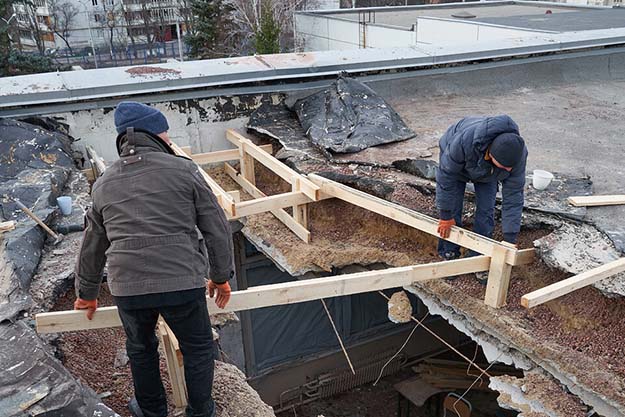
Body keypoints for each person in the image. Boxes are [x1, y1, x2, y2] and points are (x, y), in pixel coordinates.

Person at [73, 101, 234, 417]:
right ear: (155, 135)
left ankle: (152, 411)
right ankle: (200, 412)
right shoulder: (185, 170)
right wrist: (220, 275)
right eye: (166, 132)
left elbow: (92, 244)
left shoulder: (104, 183)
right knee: (199, 348)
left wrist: (87, 294)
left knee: (141, 349)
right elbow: (216, 227)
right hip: (181, 282)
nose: (170, 138)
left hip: (129, 288)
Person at [435, 115, 527, 268]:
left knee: (486, 210)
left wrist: (510, 238)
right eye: (505, 166)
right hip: (457, 161)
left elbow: (514, 196)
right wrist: (445, 215)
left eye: (511, 167)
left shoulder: (517, 154)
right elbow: (446, 177)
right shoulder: (464, 141)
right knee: (454, 206)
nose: (509, 170)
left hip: (489, 171)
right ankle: (449, 251)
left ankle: (478, 257)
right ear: (492, 154)